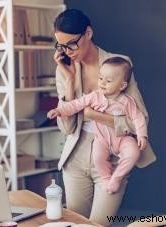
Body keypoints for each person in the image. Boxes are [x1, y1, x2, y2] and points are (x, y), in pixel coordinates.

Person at [53, 9, 156, 226]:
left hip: (112, 156)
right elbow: (67, 128)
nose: (67, 51)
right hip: (76, 157)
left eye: (71, 44)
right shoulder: (64, 70)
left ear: (88, 33)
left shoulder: (119, 64)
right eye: (60, 46)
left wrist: (96, 116)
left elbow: (139, 120)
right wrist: (70, 82)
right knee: (75, 223)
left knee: (98, 224)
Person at [48, 57, 147, 194]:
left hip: (123, 139)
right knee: (98, 157)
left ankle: (116, 178)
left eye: (108, 81)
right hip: (102, 140)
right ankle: (106, 178)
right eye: (100, 78)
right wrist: (59, 110)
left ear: (122, 86)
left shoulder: (127, 101)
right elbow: (76, 104)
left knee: (134, 152)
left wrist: (142, 135)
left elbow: (138, 117)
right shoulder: (95, 96)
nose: (102, 83)